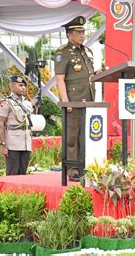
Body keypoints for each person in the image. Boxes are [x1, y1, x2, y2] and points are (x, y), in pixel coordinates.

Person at [54, 16, 96, 181]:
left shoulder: (85, 51)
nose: (82, 35)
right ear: (69, 35)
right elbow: (60, 79)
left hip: (88, 99)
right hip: (73, 100)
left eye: (83, 31)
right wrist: (66, 102)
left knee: (85, 135)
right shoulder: (63, 52)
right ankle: (72, 169)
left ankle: (84, 165)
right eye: (78, 32)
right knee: (72, 136)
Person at [0, 75, 33, 176]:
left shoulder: (27, 104)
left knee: (23, 174)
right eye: (20, 85)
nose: (23, 88)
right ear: (12, 86)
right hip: (12, 143)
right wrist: (3, 144)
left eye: (24, 86)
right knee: (12, 174)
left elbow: (28, 125)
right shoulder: (7, 103)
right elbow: (0, 124)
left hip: (26, 143)